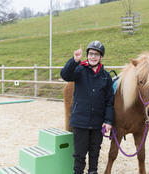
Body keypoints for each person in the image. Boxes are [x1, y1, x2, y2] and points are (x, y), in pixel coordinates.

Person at [60, 41, 115, 174]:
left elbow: (109, 101)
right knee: (79, 155)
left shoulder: (106, 77)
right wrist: (74, 61)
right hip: (80, 121)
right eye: (90, 54)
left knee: (95, 153)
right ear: (87, 55)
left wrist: (108, 121)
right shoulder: (79, 70)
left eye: (96, 54)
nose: (93, 57)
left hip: (97, 123)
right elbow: (65, 75)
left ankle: (93, 171)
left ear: (101, 57)